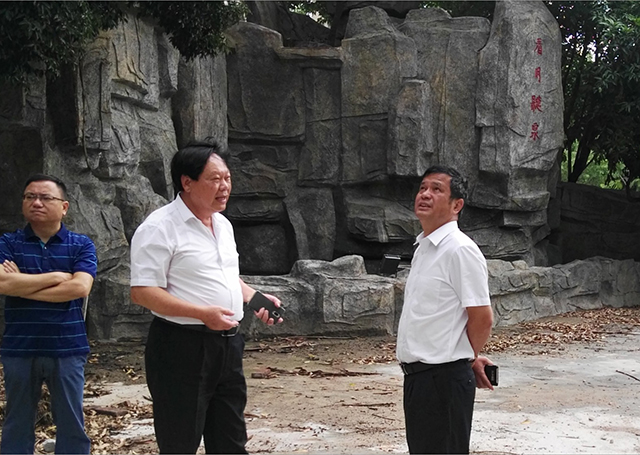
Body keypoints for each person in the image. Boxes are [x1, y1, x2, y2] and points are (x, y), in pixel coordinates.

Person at [130, 140, 283, 454]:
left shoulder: (222, 224)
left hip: (227, 346)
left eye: (227, 178)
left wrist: (256, 299)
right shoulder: (159, 227)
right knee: (180, 442)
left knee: (230, 440)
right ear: (187, 182)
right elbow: (143, 292)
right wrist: (201, 314)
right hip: (181, 346)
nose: (224, 186)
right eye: (215, 179)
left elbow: (225, 277)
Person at [396, 165, 495, 454]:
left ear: (456, 205)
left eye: (437, 189)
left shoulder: (460, 249)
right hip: (418, 379)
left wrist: (464, 357)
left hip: (443, 381)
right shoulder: (424, 247)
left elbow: (482, 317)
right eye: (423, 188)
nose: (425, 194)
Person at [0, 174, 97, 454]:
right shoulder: (8, 242)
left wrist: (22, 286)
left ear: (64, 207)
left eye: (45, 197)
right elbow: (3, 283)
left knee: (72, 423)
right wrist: (55, 277)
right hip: (20, 346)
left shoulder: (80, 244)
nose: (36, 203)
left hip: (67, 346)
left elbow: (80, 288)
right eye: (30, 197)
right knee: (16, 422)